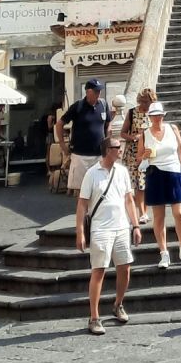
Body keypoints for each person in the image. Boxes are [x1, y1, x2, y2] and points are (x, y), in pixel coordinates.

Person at [76, 138, 141, 335]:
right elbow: (82, 204)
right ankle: (94, 317)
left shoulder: (122, 171)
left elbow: (129, 199)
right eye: (116, 147)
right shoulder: (92, 174)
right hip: (101, 229)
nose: (120, 150)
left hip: (121, 226)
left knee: (125, 268)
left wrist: (135, 225)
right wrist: (80, 231)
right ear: (107, 150)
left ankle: (118, 304)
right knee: (99, 271)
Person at [140, 102, 181, 269]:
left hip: (174, 172)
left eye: (160, 115)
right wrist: (145, 154)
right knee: (159, 217)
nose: (158, 118)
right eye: (154, 115)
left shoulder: (172, 129)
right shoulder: (145, 134)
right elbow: (138, 158)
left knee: (179, 214)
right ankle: (164, 252)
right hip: (155, 173)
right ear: (150, 117)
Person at [56, 79, 112, 195]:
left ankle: (94, 212)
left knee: (100, 187)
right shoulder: (78, 106)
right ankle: (82, 212)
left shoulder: (103, 104)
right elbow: (60, 124)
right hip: (80, 155)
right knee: (80, 189)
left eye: (99, 91)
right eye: (96, 91)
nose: (98, 94)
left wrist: (108, 142)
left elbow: (108, 123)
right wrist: (62, 144)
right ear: (88, 92)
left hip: (98, 154)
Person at [120, 86, 156, 224]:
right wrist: (134, 137)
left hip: (149, 152)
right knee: (138, 184)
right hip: (134, 153)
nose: (145, 104)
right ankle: (141, 213)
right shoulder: (132, 113)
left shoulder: (153, 113)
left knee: (145, 184)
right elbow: (123, 132)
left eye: (148, 102)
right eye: (143, 101)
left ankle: (144, 212)